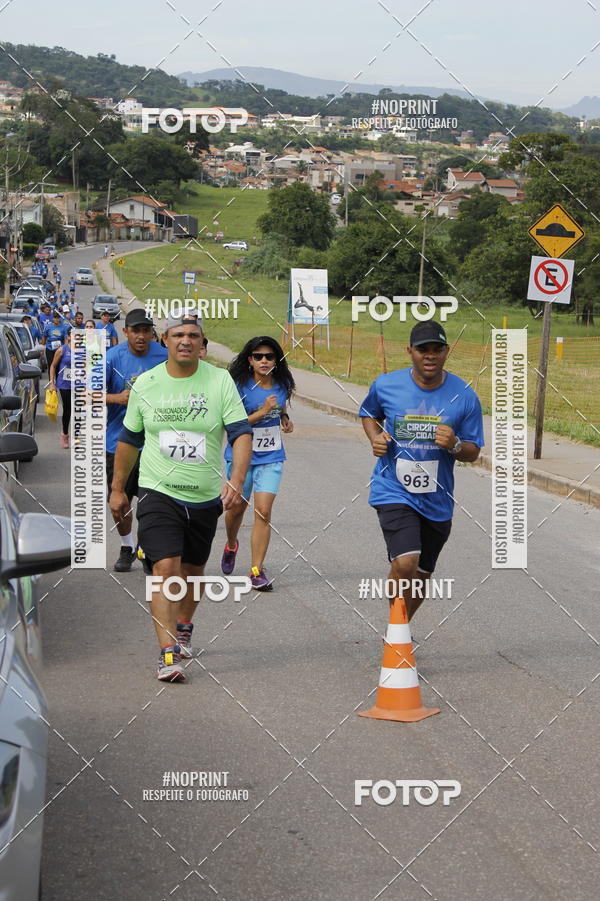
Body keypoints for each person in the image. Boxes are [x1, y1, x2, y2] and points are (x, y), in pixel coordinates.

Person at [109, 313, 252, 682]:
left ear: (201, 343)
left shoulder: (219, 381)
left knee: (192, 571)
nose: (185, 341)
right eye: (178, 335)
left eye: (193, 335)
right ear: (166, 340)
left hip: (204, 496)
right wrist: (118, 489)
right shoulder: (147, 384)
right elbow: (129, 440)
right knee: (165, 567)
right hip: (158, 490)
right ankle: (167, 653)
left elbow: (240, 433)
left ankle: (184, 626)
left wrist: (237, 479)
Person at [359, 321, 484, 622]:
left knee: (422, 573)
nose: (430, 355)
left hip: (437, 498)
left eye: (437, 349)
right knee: (406, 562)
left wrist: (454, 444)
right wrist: (375, 438)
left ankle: (400, 626)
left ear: (447, 351)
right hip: (393, 489)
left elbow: (473, 452)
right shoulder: (387, 385)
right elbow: (368, 413)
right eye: (422, 349)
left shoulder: (464, 395)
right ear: (410, 351)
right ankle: (396, 631)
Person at [221, 336, 295, 591]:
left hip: (271, 456)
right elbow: (232, 424)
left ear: (276, 360)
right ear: (250, 360)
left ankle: (256, 570)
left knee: (263, 511)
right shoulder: (239, 386)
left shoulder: (283, 384)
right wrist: (262, 412)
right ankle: (231, 544)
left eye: (269, 357)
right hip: (241, 456)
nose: (264, 361)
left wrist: (284, 417)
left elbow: (280, 405)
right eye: (258, 356)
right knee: (236, 509)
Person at [104, 309, 168, 572]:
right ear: (125, 332)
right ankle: (127, 545)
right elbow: (86, 393)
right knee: (119, 503)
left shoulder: (165, 356)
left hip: (155, 444)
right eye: (135, 330)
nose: (141, 336)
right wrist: (116, 398)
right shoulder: (112, 357)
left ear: (152, 332)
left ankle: (146, 548)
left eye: (146, 330)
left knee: (153, 504)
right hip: (118, 443)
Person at [49, 330, 75, 449]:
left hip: (79, 384)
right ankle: (65, 434)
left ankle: (77, 436)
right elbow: (53, 366)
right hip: (64, 384)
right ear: (68, 337)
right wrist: (52, 383)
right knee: (68, 409)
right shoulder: (62, 350)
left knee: (79, 410)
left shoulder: (84, 350)